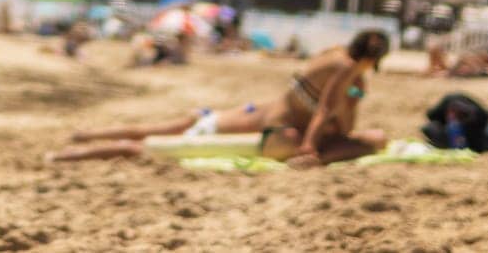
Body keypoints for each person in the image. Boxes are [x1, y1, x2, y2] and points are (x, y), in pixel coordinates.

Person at [51, 29, 392, 167]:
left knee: (152, 130)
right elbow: (327, 109)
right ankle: (70, 154)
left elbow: (330, 107)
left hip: (245, 115)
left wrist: (352, 99)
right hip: (259, 128)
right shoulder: (348, 68)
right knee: (142, 145)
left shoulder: (332, 54)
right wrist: (311, 147)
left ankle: (83, 138)